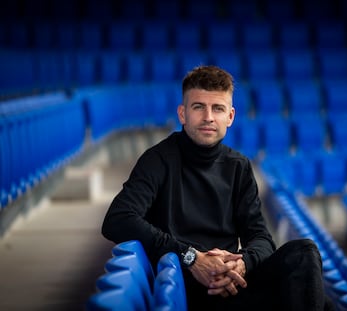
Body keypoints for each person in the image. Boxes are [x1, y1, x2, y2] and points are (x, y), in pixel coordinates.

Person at [102, 65, 334, 311]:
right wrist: (191, 258)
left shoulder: (238, 166)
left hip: (231, 285)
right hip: (187, 288)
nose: (208, 117)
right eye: (198, 107)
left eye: (218, 108)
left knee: (304, 255)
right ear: (183, 114)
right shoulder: (158, 160)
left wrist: (242, 264)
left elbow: (261, 238)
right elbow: (118, 219)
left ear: (230, 117)